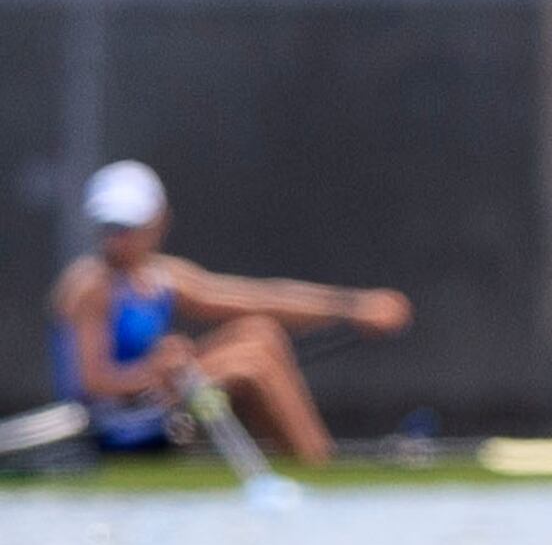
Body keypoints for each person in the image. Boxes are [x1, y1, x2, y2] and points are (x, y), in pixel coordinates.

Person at [46, 161, 413, 464]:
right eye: (108, 227)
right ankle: (318, 466)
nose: (116, 239)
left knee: (260, 332)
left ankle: (314, 459)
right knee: (248, 366)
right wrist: (151, 371)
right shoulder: (89, 287)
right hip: (117, 426)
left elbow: (262, 298)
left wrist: (352, 306)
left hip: (158, 402)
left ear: (159, 221)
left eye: (127, 227)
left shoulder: (163, 277)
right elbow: (91, 383)